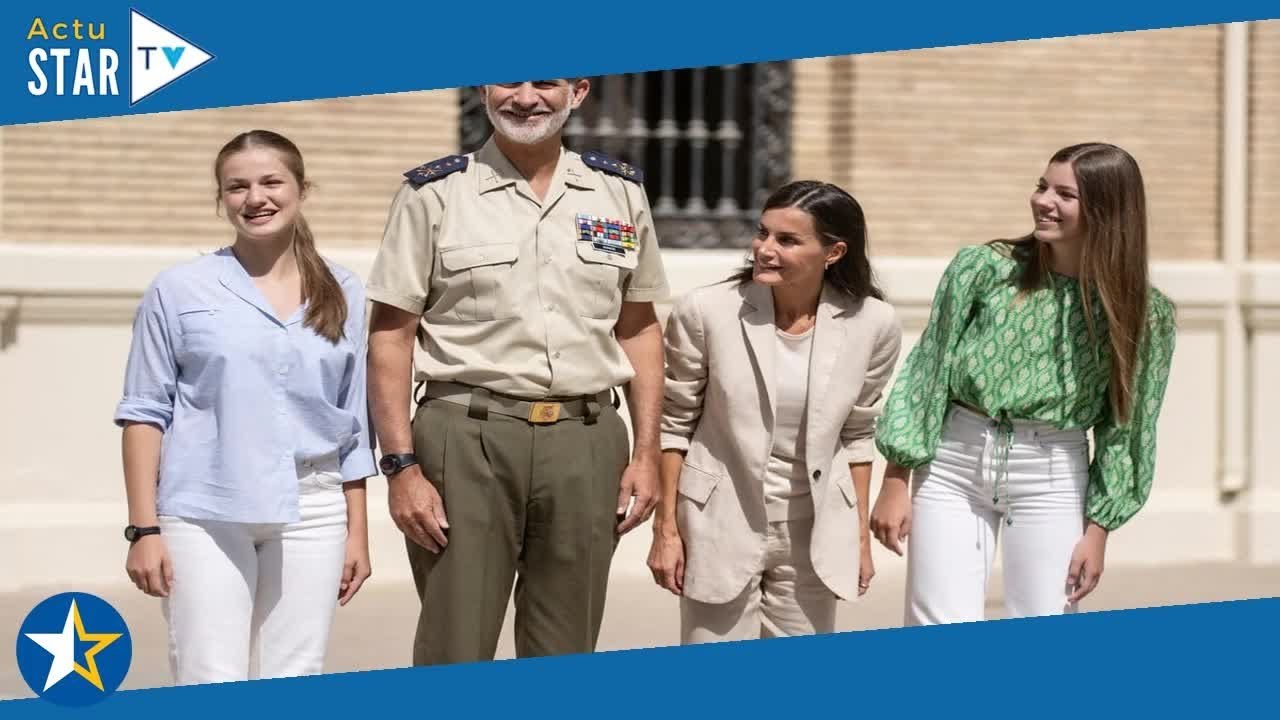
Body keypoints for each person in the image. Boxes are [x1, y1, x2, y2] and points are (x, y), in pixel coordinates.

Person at [365, 78, 669, 665]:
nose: (525, 97)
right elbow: (391, 335)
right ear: (483, 89)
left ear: (578, 92)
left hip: (586, 441)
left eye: (546, 82)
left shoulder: (619, 193)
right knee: (456, 647)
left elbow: (638, 328)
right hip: (465, 439)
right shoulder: (435, 194)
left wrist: (646, 454)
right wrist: (401, 466)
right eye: (509, 79)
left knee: (566, 646)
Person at [869, 142, 1178, 624]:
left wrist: (1099, 529)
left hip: (1052, 476)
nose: (1043, 201)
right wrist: (895, 479)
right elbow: (928, 372)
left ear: (1107, 210)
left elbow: (1128, 428)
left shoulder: (1142, 313)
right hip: (952, 462)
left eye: (1065, 195)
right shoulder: (982, 269)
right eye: (1042, 186)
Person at [114, 129, 376, 684]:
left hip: (314, 509)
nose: (255, 198)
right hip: (205, 509)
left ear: (301, 188)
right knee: (211, 674)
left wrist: (358, 530)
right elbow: (143, 413)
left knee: (297, 674)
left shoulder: (345, 290)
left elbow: (353, 421)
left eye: (270, 182)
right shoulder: (178, 290)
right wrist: (143, 530)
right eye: (237, 187)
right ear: (222, 198)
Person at [648, 180, 902, 643]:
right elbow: (675, 425)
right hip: (718, 520)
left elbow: (858, 435)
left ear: (834, 252)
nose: (765, 249)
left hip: (814, 532)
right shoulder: (705, 311)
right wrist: (666, 529)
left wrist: (859, 538)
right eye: (763, 233)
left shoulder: (874, 323)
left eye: (787, 240)